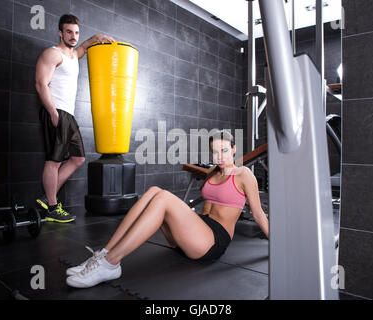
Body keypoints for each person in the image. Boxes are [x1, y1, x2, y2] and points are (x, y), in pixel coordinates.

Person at [66, 130, 270, 288]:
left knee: (163, 197)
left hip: (212, 242)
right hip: (193, 233)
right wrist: (186, 212)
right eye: (215, 151)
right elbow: (204, 202)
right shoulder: (212, 172)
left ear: (234, 149)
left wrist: (277, 247)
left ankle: (110, 264)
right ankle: (104, 253)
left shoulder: (244, 174)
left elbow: (258, 214)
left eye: (224, 150)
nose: (220, 156)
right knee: (155, 190)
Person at [34, 14, 114, 223]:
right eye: (68, 32)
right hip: (56, 111)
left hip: (68, 114)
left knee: (77, 158)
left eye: (76, 32)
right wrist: (52, 112)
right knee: (54, 161)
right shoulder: (53, 54)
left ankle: (46, 199)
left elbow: (83, 47)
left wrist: (96, 37)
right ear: (60, 32)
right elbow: (40, 84)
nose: (73, 36)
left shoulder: (72, 55)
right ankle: (52, 207)